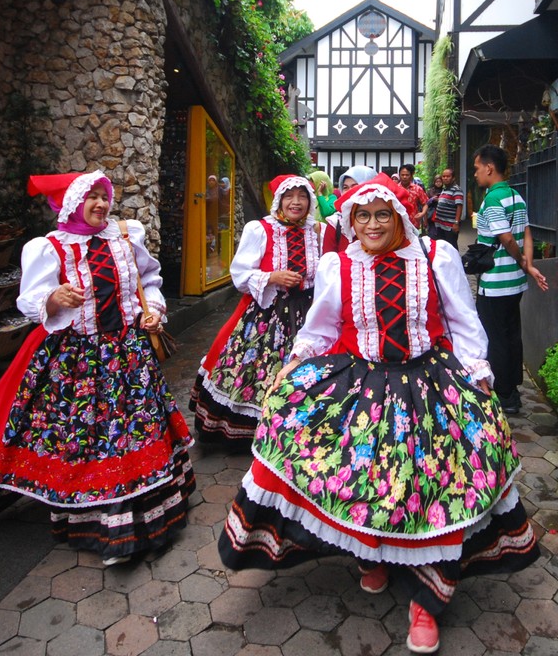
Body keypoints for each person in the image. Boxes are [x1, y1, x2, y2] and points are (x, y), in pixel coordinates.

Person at [219, 173, 539, 654]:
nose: (372, 225)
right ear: (351, 221)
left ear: (400, 216)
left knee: (429, 485)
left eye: (382, 215)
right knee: (368, 480)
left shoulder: (435, 257)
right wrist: (295, 366)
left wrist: (479, 374)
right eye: (362, 216)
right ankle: (375, 555)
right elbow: (321, 327)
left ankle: (427, 598)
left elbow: (462, 320)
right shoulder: (338, 266)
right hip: (360, 384)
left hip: (429, 383)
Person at [0, 170, 195, 565]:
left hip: (129, 355)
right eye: (91, 197)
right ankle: (98, 520)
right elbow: (30, 300)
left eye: (104, 197)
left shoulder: (125, 237)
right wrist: (54, 298)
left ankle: (129, 519)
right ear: (70, 203)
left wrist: (153, 310)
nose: (101, 205)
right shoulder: (50, 247)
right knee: (83, 439)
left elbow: (149, 279)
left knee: (129, 435)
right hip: (75, 361)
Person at [190, 174, 321, 448]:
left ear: (310, 201)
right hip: (267, 313)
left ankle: (295, 427)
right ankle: (252, 430)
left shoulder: (316, 232)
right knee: (256, 370)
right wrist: (272, 277)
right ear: (279, 201)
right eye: (289, 197)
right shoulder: (260, 229)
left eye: (302, 197)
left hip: (308, 315)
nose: (296, 202)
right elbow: (239, 274)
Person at [473, 144, 548, 414]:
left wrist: (520, 260)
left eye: (477, 168)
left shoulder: (492, 199)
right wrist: (528, 267)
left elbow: (505, 238)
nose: (476, 174)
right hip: (515, 282)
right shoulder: (516, 195)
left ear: (489, 168)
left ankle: (503, 394)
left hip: (495, 282)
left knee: (495, 336)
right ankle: (512, 388)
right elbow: (526, 233)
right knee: (511, 334)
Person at [325, 165, 378, 254]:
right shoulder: (336, 223)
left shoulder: (383, 221)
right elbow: (327, 261)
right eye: (345, 187)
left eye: (354, 186)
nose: (349, 191)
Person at [431, 167, 463, 248]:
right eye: (443, 176)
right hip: (440, 224)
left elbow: (459, 206)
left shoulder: (456, 190)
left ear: (453, 178)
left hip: (450, 226)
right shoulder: (444, 189)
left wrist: (456, 223)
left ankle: (456, 261)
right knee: (442, 247)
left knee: (451, 247)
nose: (445, 178)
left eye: (448, 176)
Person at [399, 163, 428, 231]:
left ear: (411, 175)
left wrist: (422, 213)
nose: (404, 177)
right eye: (402, 175)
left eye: (407, 175)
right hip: (399, 223)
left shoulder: (417, 189)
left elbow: (425, 203)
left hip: (413, 224)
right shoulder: (395, 189)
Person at [425, 174, 443, 239]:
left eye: (440, 182)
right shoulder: (430, 191)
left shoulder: (444, 191)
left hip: (441, 214)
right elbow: (425, 202)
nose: (438, 183)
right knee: (432, 234)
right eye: (436, 182)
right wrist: (432, 199)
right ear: (434, 182)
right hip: (431, 215)